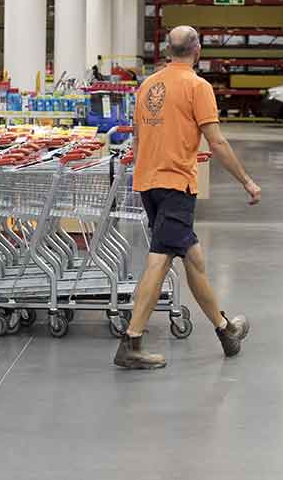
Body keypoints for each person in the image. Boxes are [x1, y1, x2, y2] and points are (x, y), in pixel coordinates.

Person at [114, 25, 261, 370]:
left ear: (167, 51)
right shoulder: (198, 86)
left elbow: (138, 138)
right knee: (160, 261)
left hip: (149, 182)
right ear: (198, 51)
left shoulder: (148, 85)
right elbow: (218, 142)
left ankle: (226, 331)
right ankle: (131, 341)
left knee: (193, 258)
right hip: (176, 186)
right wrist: (247, 181)